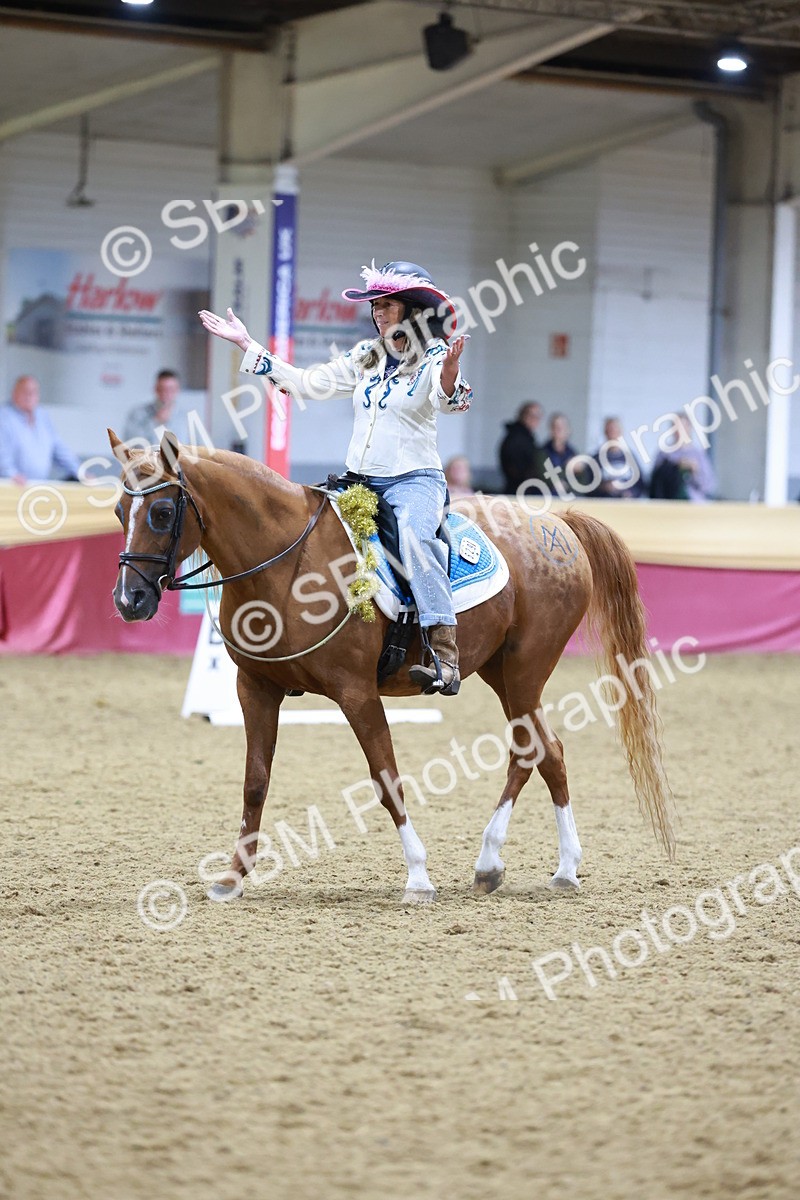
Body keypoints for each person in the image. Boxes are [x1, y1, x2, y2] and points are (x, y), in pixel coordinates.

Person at [198, 260, 472, 695]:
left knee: (415, 539)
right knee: (302, 529)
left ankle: (443, 650)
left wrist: (452, 374)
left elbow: (449, 399)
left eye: (387, 304)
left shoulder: (436, 357)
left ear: (412, 309)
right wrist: (248, 345)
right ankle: (296, 649)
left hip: (414, 482)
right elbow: (307, 383)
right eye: (375, 305)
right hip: (358, 481)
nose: (377, 312)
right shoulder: (366, 357)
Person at [0, 375, 80, 485]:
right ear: (14, 393)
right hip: (11, 486)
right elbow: (2, 453)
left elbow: (59, 449)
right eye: (25, 391)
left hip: (39, 486)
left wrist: (80, 472)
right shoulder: (4, 417)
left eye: (33, 392)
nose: (29, 395)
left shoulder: (42, 416)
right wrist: (11, 474)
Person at [650, 413, 715, 502]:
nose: (679, 431)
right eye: (676, 427)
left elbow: (708, 486)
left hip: (694, 503)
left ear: (689, 428)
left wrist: (695, 471)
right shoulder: (664, 454)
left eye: (682, 427)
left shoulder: (698, 455)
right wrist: (674, 467)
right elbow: (655, 483)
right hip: (669, 503)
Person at [123, 369, 189, 447]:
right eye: (162, 389)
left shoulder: (186, 418)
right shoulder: (138, 414)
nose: (166, 393)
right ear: (155, 389)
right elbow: (130, 444)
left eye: (171, 389)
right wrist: (156, 422)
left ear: (177, 390)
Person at [592, 416, 645, 498]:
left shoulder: (630, 457)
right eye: (610, 431)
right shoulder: (597, 458)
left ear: (620, 432)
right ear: (605, 433)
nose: (612, 434)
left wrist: (631, 493)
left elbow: (640, 484)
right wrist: (603, 488)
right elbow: (589, 487)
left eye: (615, 430)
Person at [499, 401, 544, 494]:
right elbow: (516, 471)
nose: (535, 419)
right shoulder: (516, 439)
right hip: (519, 493)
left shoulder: (526, 438)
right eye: (531, 415)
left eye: (538, 416)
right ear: (523, 416)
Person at [542, 412, 582, 493]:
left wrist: (580, 471)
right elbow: (546, 477)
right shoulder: (542, 453)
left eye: (562, 427)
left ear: (568, 430)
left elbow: (582, 483)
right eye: (556, 427)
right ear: (551, 429)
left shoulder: (572, 453)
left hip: (569, 497)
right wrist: (566, 467)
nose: (559, 430)